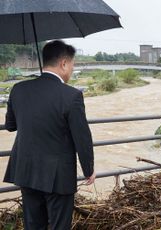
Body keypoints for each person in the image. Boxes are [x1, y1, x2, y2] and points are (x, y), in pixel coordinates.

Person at [4, 40, 95, 230]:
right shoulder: (72, 96)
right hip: (58, 177)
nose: (71, 70)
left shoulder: (19, 89)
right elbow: (82, 138)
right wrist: (89, 170)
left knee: (33, 225)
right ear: (63, 64)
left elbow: (10, 126)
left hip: (26, 170)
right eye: (72, 65)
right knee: (59, 226)